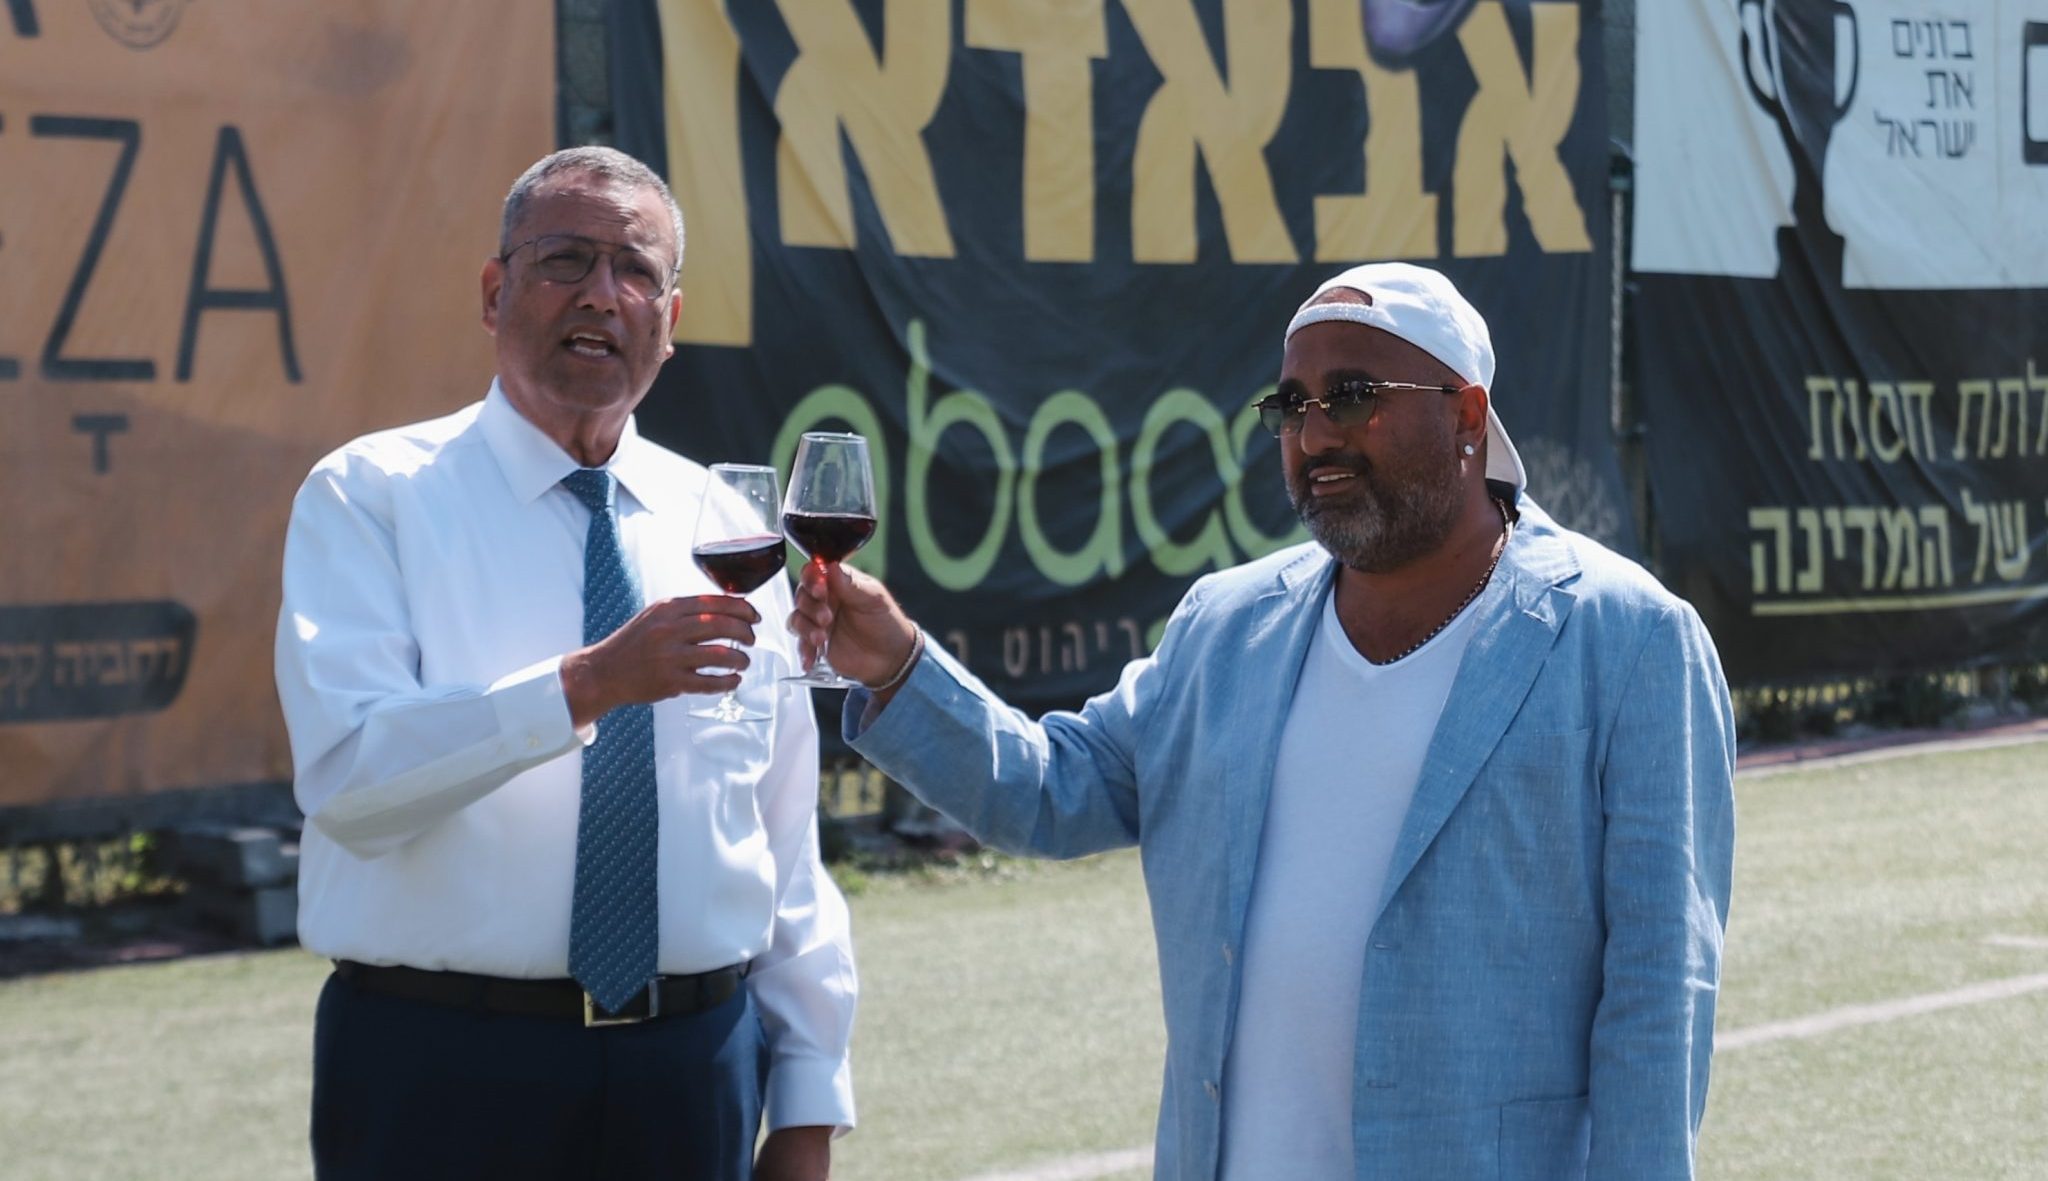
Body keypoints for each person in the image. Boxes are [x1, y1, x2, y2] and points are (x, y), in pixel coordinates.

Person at [792, 263, 1735, 1179]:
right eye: (1291, 405)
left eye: (1353, 395)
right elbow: (1050, 789)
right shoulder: (1227, 626)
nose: (1315, 433)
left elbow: (1661, 997)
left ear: (1467, 414)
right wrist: (900, 664)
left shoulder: (1629, 639)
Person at [275, 146, 854, 1181]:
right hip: (438, 1068)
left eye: (635, 270)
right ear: (493, 292)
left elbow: (781, 845)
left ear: (670, 321)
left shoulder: (727, 524)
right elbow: (350, 788)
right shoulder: (371, 495)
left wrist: (808, 1105)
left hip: (692, 1070)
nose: (601, 293)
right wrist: (587, 685)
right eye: (565, 260)